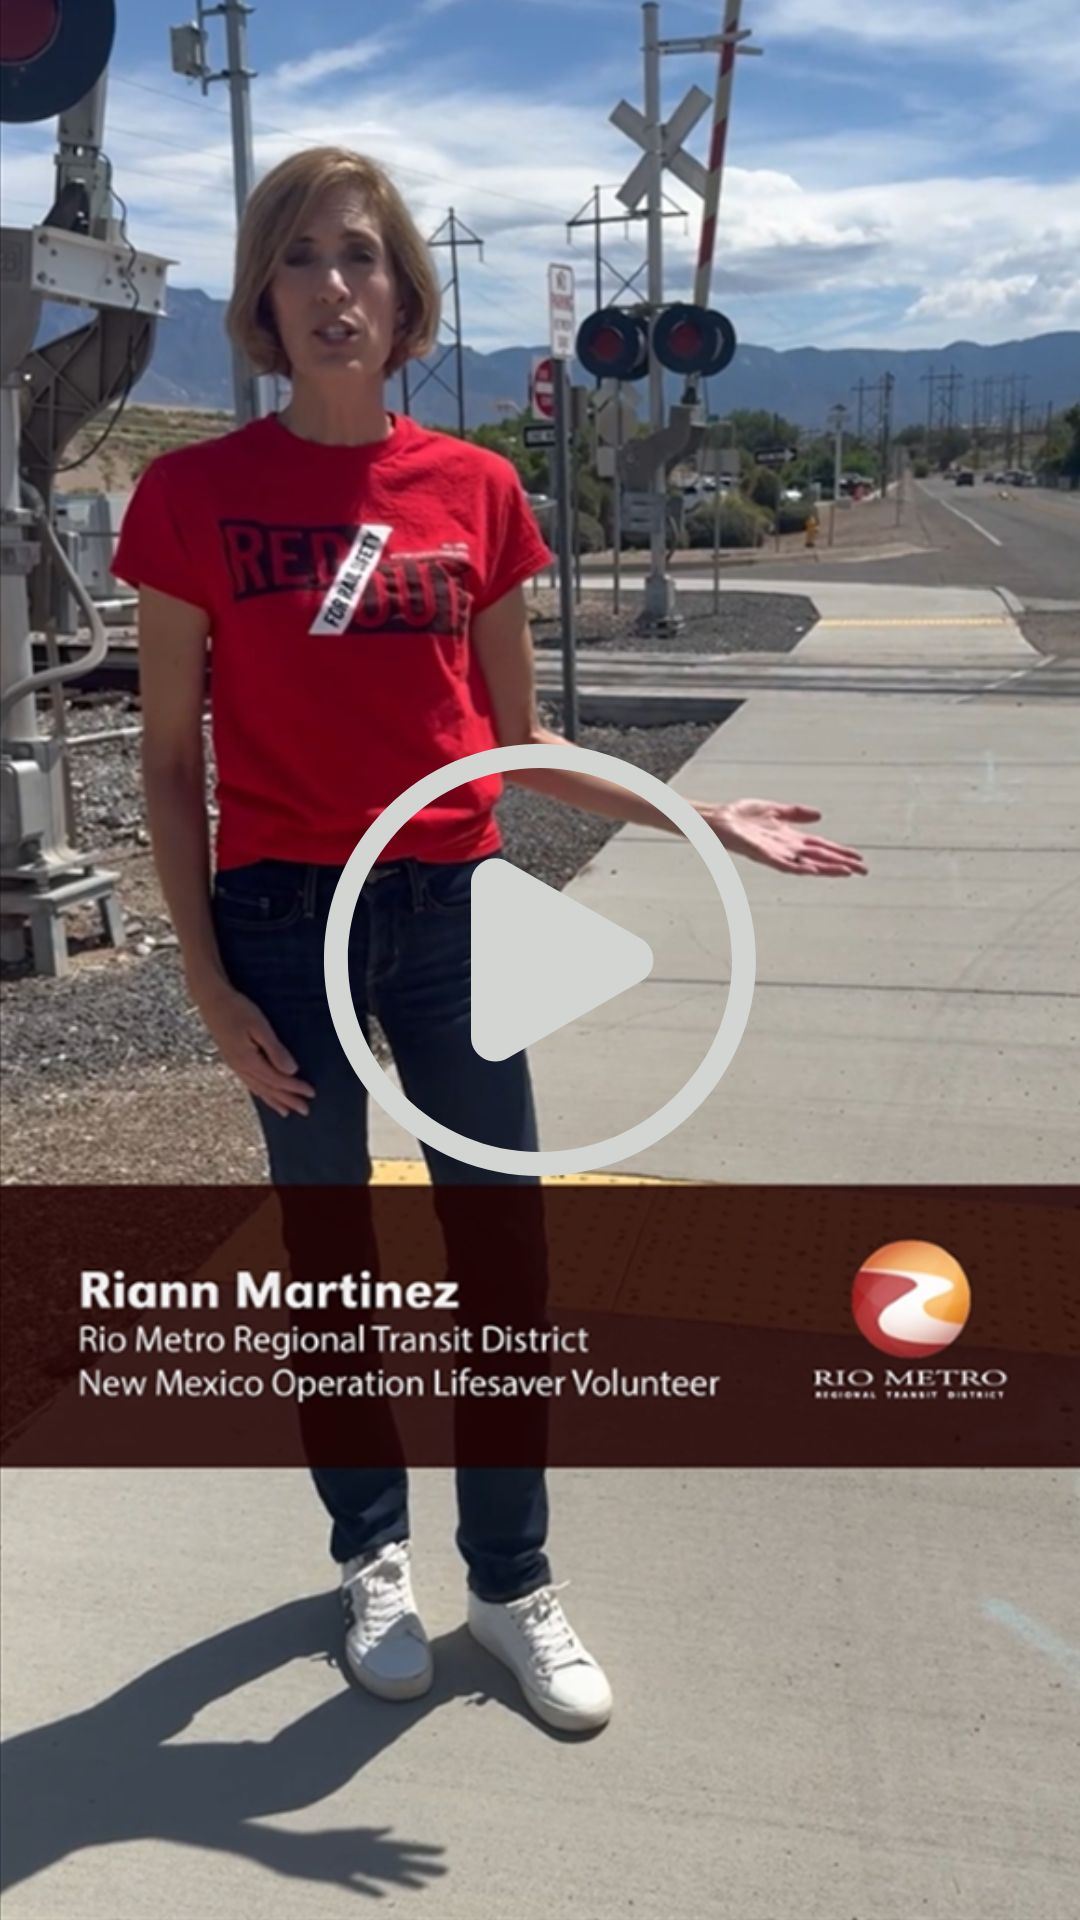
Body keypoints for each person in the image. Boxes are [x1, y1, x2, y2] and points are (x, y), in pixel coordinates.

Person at [111, 146, 867, 1736]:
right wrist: (199, 973)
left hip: (455, 906)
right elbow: (170, 765)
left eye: (364, 259)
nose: (335, 286)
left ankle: (510, 1579)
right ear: (262, 295)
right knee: (332, 1264)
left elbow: (524, 753)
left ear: (404, 301)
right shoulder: (189, 499)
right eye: (304, 258)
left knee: (501, 1261)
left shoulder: (475, 492)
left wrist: (704, 821)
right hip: (279, 916)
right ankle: (370, 1555)